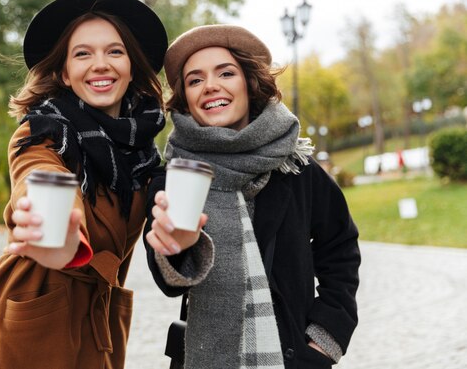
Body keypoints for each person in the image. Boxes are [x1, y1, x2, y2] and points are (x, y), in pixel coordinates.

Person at [0, 0, 168, 369]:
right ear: (64, 72)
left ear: (131, 66)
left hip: (100, 325)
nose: (100, 64)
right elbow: (38, 173)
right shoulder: (41, 133)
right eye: (83, 54)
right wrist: (57, 227)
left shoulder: (143, 154)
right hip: (33, 319)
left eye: (115, 52)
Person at [144, 25, 360, 369]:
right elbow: (168, 282)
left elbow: (340, 249)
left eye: (226, 73)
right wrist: (179, 249)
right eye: (195, 80)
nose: (210, 86)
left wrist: (324, 341)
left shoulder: (296, 167)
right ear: (186, 99)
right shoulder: (174, 179)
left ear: (250, 83)